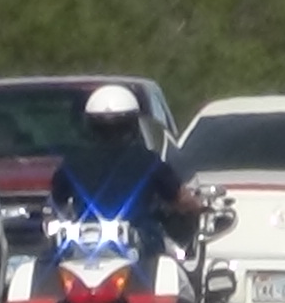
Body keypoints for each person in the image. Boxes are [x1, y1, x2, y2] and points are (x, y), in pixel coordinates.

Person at [48, 84, 200, 260]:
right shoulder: (147, 160)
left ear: (90, 124)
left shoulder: (73, 162)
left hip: (85, 246)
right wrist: (195, 207)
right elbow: (184, 201)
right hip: (142, 247)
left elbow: (56, 202)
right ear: (133, 123)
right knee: (175, 276)